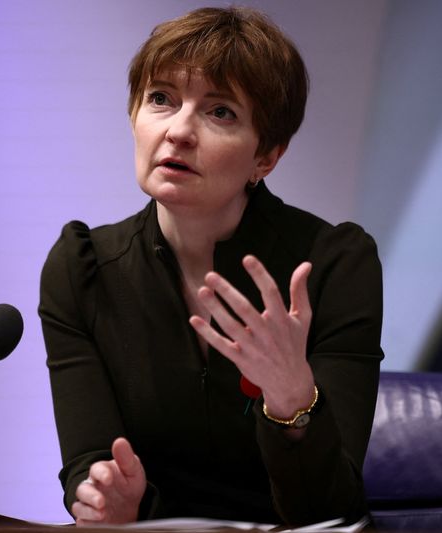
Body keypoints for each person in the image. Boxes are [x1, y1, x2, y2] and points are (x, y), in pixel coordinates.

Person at [39, 6, 383, 528]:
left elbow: (332, 512)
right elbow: (91, 464)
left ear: (266, 157)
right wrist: (107, 499)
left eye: (219, 112)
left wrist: (292, 398)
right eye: (161, 100)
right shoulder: (84, 270)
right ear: (134, 113)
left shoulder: (332, 267)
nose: (178, 131)